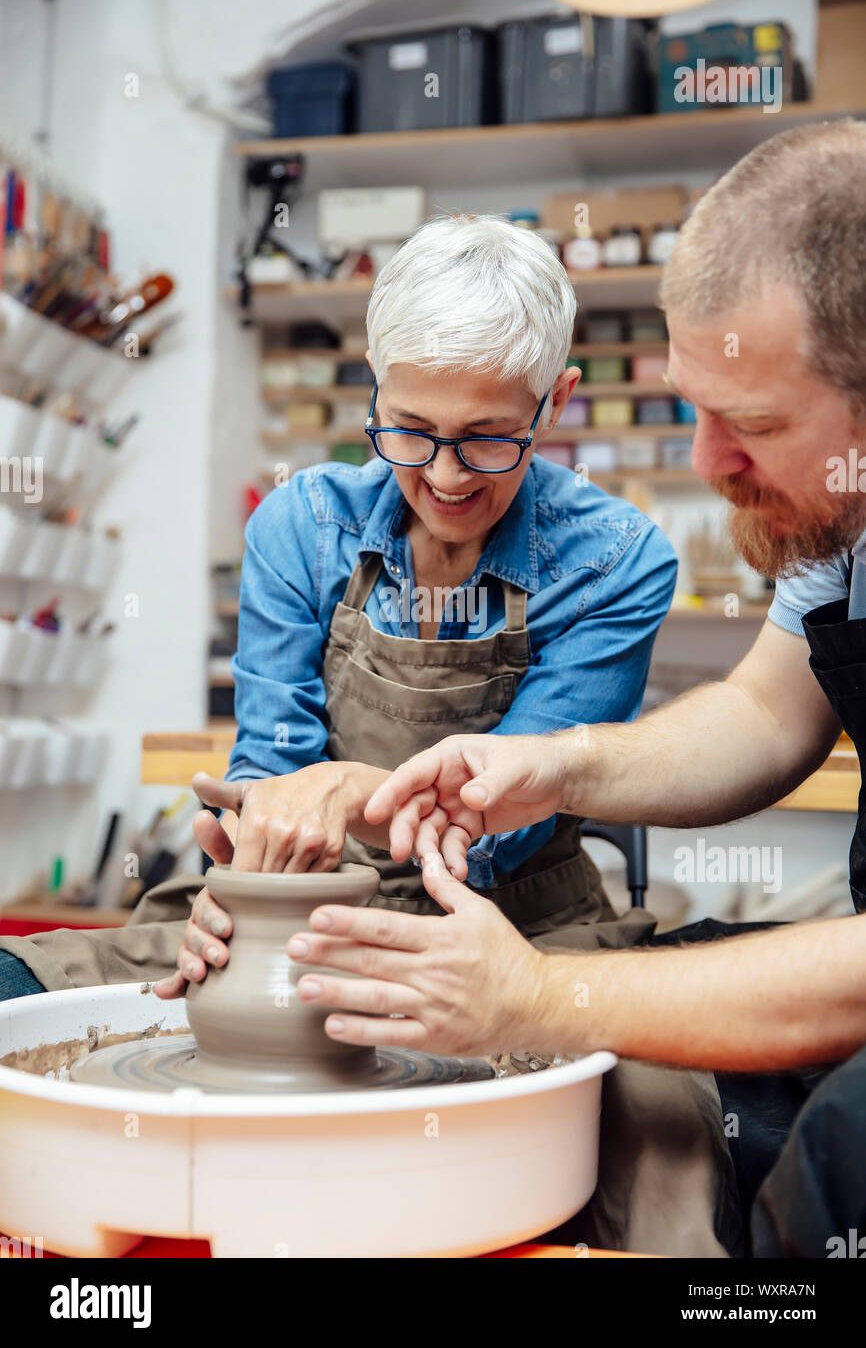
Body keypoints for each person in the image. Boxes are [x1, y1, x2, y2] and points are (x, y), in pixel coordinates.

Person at [276, 120, 866, 1258]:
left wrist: (543, 997)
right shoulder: (843, 533)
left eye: (749, 424)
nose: (704, 464)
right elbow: (761, 713)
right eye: (690, 406)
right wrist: (563, 765)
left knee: (825, 1161)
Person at [0, 213, 675, 1000]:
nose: (448, 478)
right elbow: (273, 765)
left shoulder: (615, 561)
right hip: (298, 897)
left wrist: (344, 793)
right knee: (24, 990)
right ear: (375, 385)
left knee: (648, 1106)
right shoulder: (303, 526)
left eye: (488, 438)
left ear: (553, 405)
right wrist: (245, 866)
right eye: (412, 430)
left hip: (514, 919)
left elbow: (497, 817)